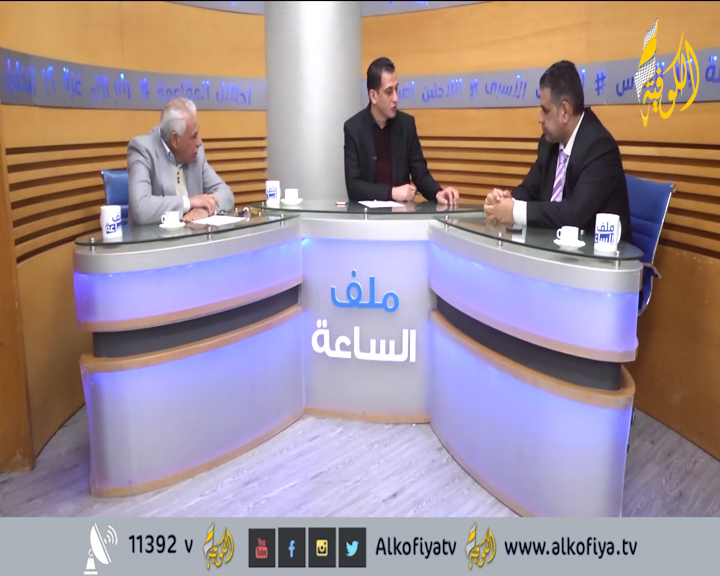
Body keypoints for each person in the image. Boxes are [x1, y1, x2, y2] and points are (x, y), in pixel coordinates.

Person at [484, 60, 632, 241]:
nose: (539, 119)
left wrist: (515, 211)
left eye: (545, 110)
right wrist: (504, 202)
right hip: (554, 249)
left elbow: (574, 214)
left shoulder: (600, 148)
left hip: (597, 254)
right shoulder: (549, 144)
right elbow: (528, 190)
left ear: (565, 111)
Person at [343, 57, 459, 204]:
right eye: (389, 92)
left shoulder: (406, 125)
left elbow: (420, 173)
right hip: (367, 215)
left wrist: (438, 193)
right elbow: (354, 186)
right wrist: (392, 192)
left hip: (400, 214)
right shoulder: (354, 128)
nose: (396, 98)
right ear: (373, 96)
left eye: (396, 89)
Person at [127, 97, 234, 225]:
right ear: (175, 140)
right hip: (157, 237)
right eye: (194, 136)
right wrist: (189, 202)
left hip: (193, 234)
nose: (199, 142)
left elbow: (226, 193)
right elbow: (141, 208)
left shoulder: (196, 153)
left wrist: (206, 209)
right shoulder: (143, 150)